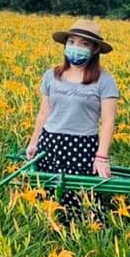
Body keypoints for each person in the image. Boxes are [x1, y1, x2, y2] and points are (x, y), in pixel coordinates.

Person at [26, 19, 119, 224]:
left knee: (79, 199)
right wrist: (33, 143)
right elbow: (44, 113)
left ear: (95, 50)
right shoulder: (52, 75)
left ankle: (77, 238)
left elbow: (108, 120)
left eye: (84, 44)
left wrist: (101, 156)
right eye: (72, 41)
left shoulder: (104, 80)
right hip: (50, 143)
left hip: (81, 146)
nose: (76, 47)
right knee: (47, 193)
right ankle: (47, 231)